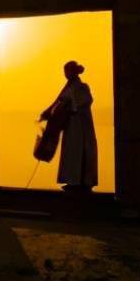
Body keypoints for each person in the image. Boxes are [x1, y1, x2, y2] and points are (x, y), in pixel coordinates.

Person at [39, 60, 98, 192]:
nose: (65, 74)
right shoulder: (68, 87)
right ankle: (73, 182)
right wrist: (48, 112)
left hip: (81, 127)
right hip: (71, 126)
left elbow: (83, 102)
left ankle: (83, 183)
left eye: (66, 71)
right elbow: (58, 102)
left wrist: (67, 108)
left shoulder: (82, 87)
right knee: (71, 153)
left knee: (80, 153)